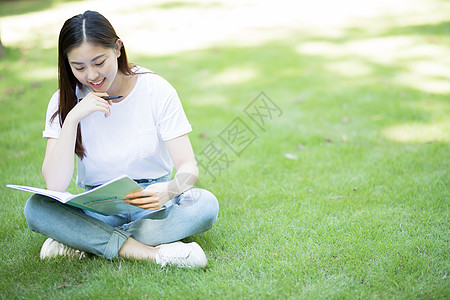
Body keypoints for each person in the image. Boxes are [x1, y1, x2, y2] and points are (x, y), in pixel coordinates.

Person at [23, 10, 219, 268]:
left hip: (150, 204)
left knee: (205, 205)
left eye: (99, 62)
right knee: (36, 207)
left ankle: (82, 239)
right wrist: (71, 119)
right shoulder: (64, 101)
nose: (92, 75)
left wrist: (170, 190)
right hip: (97, 208)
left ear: (117, 48)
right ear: (66, 63)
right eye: (79, 67)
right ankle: (150, 252)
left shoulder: (156, 90)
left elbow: (188, 167)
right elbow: (55, 185)